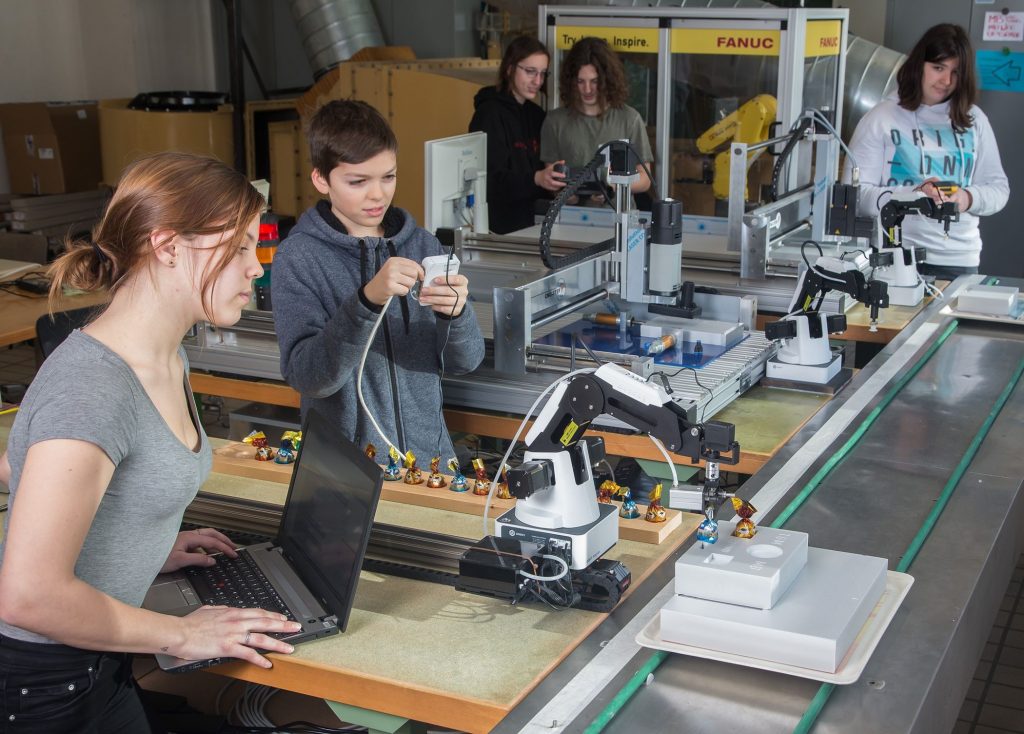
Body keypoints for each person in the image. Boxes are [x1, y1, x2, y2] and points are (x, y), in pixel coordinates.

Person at [0, 152, 301, 731]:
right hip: (43, 688)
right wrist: (184, 633)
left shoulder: (167, 353)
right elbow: (28, 596)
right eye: (237, 247)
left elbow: (53, 477)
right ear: (167, 247)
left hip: (97, 662)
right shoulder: (94, 386)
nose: (256, 268)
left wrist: (138, 545)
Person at [272, 100, 485, 465]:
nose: (378, 194)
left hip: (431, 464)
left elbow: (466, 361)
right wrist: (367, 301)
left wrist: (457, 315)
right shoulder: (298, 258)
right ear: (320, 179)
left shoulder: (421, 244)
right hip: (346, 473)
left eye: (388, 177)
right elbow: (309, 378)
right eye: (358, 181)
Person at [845, 23, 1009, 279]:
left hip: (960, 262)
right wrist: (913, 196)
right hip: (895, 259)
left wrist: (966, 198)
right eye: (938, 68)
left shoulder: (974, 120)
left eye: (955, 72)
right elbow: (854, 197)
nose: (946, 81)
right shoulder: (880, 119)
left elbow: (999, 190)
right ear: (919, 65)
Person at [469, 35, 565, 234]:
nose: (537, 81)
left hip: (535, 223)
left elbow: (541, 171)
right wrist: (536, 179)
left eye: (542, 73)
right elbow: (491, 181)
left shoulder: (536, 115)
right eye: (530, 71)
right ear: (510, 68)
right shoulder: (489, 114)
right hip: (501, 228)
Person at [540, 36, 654, 197]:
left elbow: (645, 179)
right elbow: (551, 177)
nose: (587, 89)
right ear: (571, 81)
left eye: (594, 81)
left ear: (607, 80)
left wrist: (612, 185)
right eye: (580, 81)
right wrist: (565, 194)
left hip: (618, 216)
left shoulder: (630, 119)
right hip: (570, 217)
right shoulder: (555, 122)